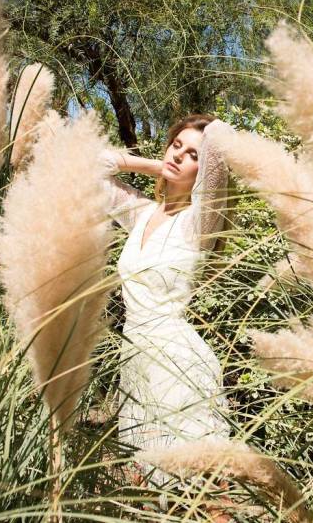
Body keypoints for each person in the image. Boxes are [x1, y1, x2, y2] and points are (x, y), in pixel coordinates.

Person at [101, 114, 233, 515]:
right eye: (176, 145)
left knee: (208, 494)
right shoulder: (140, 212)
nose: (180, 155)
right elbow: (91, 168)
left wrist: (202, 145)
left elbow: (218, 155)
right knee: (145, 492)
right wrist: (158, 166)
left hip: (178, 366)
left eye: (193, 155)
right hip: (136, 362)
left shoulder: (200, 222)